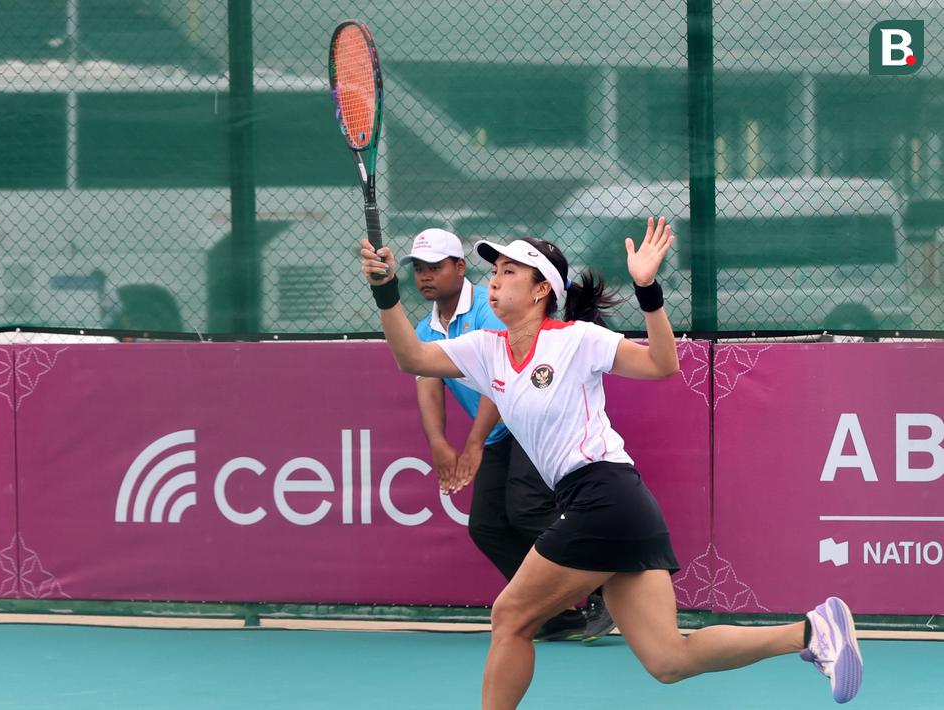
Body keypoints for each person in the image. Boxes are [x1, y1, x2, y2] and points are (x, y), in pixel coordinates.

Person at [360, 217, 862, 708]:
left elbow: (662, 364)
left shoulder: (577, 339)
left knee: (509, 615)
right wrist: (387, 291)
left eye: (510, 272)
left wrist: (649, 291)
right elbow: (414, 358)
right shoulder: (484, 350)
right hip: (615, 505)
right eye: (493, 272)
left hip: (604, 494)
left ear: (541, 290)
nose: (494, 281)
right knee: (669, 660)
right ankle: (813, 631)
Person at [400, 227, 613, 643]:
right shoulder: (426, 329)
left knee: (527, 509)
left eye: (435, 267)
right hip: (503, 433)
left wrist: (474, 444)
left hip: (532, 422)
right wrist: (441, 445)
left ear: (459, 268)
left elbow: (501, 381)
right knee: (487, 526)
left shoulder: (489, 307)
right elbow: (427, 385)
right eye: (419, 269)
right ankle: (551, 612)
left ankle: (605, 589)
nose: (425, 275)